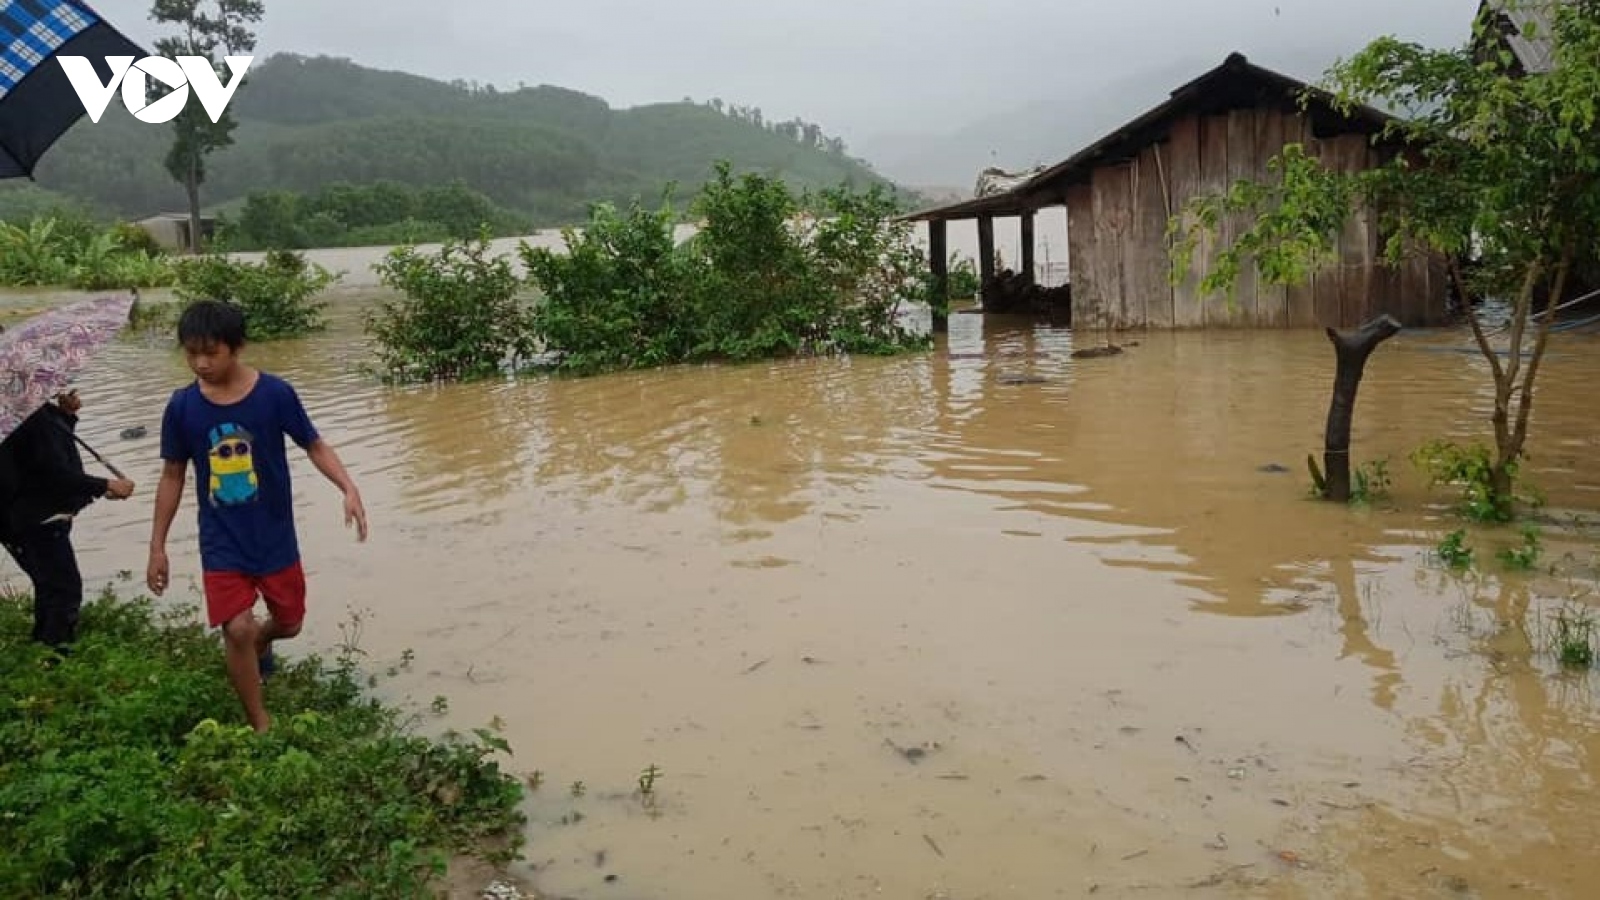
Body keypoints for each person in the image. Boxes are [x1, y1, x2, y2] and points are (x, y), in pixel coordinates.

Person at [147, 299, 368, 732]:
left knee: (289, 623)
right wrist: (157, 546)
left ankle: (263, 643)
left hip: (274, 536)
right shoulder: (181, 407)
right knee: (237, 628)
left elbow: (314, 444)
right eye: (192, 353)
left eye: (211, 352)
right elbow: (172, 475)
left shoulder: (275, 395)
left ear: (237, 347)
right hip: (221, 540)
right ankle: (260, 724)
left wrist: (348, 486)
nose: (201, 363)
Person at [0, 389, 136, 652]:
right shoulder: (25, 415)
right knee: (64, 591)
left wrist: (67, 414)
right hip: (33, 518)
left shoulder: (29, 411)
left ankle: (41, 649)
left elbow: (52, 450)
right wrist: (105, 484)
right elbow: (53, 472)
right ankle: (55, 659)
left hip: (26, 517)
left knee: (49, 586)